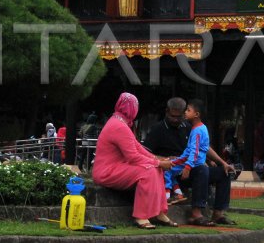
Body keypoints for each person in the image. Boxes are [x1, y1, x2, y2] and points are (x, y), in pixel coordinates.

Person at [143, 97, 237, 226]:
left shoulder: (189, 127)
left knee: (223, 173)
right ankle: (196, 214)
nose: (176, 120)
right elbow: (144, 152)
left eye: (180, 116)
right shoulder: (157, 129)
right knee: (202, 170)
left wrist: (222, 162)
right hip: (173, 172)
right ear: (166, 112)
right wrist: (163, 159)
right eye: (172, 116)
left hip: (189, 167)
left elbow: (203, 147)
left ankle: (218, 213)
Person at [92, 92, 176, 229]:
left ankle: (159, 212)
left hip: (116, 167)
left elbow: (138, 148)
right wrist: (159, 162)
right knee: (148, 171)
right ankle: (141, 216)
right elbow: (133, 156)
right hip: (106, 172)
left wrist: (157, 160)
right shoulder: (119, 126)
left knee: (156, 168)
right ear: (133, 109)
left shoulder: (119, 122)